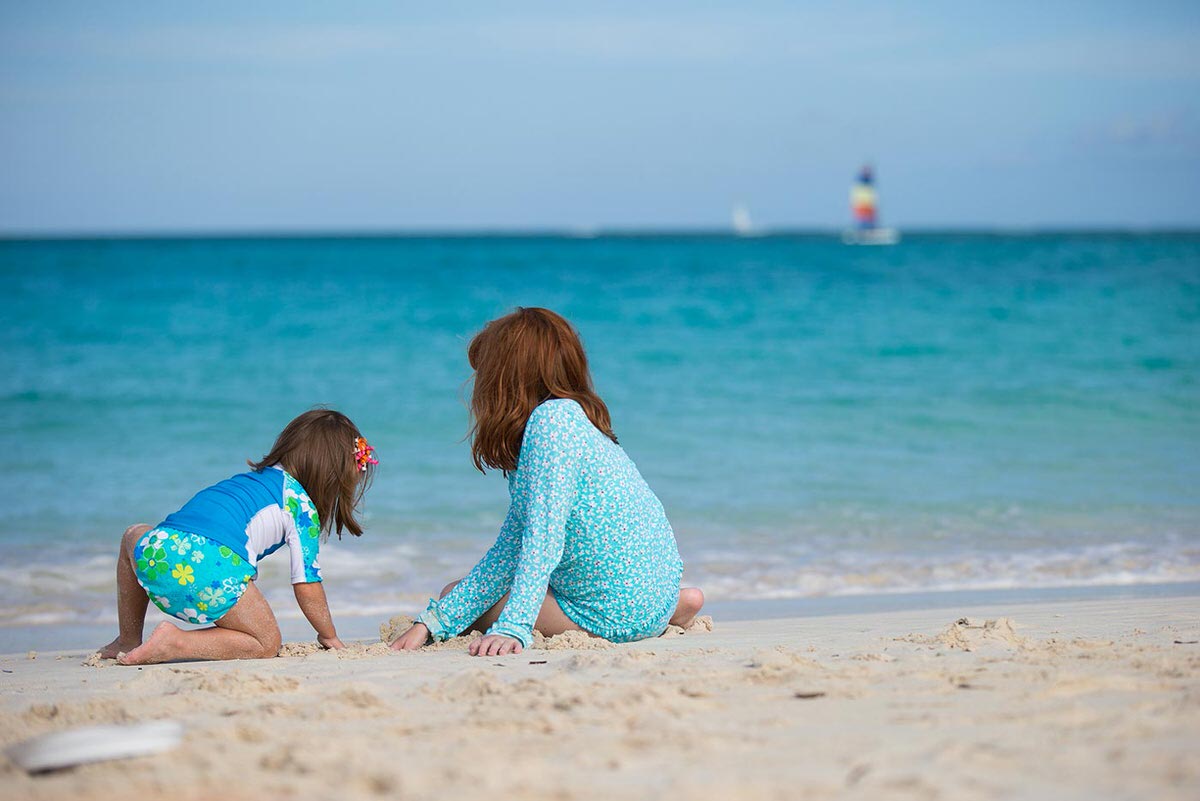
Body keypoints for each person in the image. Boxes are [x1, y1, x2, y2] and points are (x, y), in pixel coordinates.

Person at [391, 307, 703, 657]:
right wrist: (432, 622)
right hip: (655, 594)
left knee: (455, 593)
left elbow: (540, 538)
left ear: (505, 379)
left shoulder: (550, 424)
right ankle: (669, 609)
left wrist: (512, 626)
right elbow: (519, 543)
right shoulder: (576, 422)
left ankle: (633, 620)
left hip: (612, 613)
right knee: (473, 595)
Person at [97, 409, 378, 665]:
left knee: (132, 534)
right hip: (208, 569)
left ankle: (128, 638)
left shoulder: (250, 480)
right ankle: (175, 642)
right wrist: (327, 635)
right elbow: (307, 583)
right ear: (333, 475)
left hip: (155, 553)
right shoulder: (300, 507)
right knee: (265, 642)